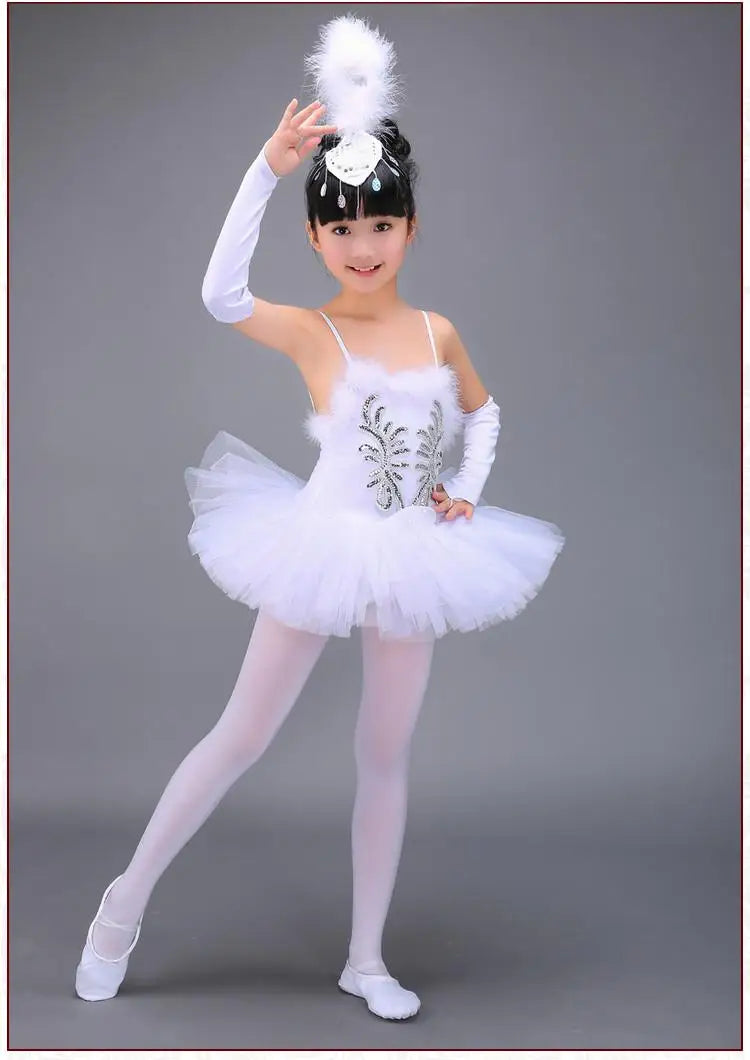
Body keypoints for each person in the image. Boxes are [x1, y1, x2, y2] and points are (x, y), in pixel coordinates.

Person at [74, 14, 565, 1021]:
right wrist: (266, 169)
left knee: (384, 755)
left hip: (415, 556)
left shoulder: (437, 330)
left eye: (380, 225)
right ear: (315, 237)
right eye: (340, 228)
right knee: (242, 734)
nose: (362, 245)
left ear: (411, 228)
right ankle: (121, 904)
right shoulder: (311, 331)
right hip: (322, 547)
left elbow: (483, 411)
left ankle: (365, 958)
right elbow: (219, 296)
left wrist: (468, 488)